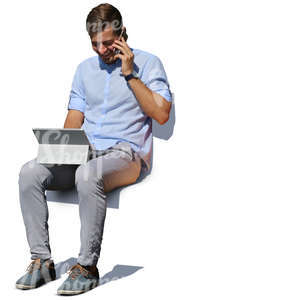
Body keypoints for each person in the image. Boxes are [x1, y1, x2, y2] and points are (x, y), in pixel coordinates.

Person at [16, 2, 172, 295]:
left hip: (126, 154)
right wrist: (60, 147)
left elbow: (161, 113)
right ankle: (42, 261)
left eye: (109, 43)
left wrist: (130, 74)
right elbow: (75, 116)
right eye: (95, 44)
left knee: (88, 173)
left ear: (123, 33)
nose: (102, 50)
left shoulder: (149, 64)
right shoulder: (84, 70)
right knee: (29, 172)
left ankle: (87, 266)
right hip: (86, 150)